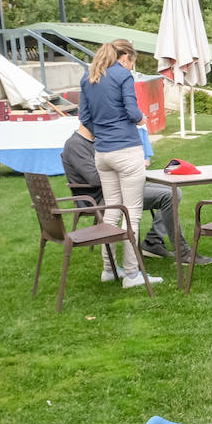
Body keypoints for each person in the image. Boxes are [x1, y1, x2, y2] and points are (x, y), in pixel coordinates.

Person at [61, 126, 212, 268]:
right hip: (103, 198)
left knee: (173, 191)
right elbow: (94, 178)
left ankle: (153, 242)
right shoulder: (75, 145)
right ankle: (183, 253)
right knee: (169, 195)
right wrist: (128, 167)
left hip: (119, 189)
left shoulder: (96, 141)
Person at [78, 38, 159, 288]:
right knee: (132, 213)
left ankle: (109, 269)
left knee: (112, 211)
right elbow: (133, 112)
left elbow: (85, 118)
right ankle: (132, 274)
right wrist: (142, 118)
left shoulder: (88, 78)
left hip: (102, 153)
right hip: (126, 150)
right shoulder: (123, 76)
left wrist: (103, 132)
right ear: (125, 57)